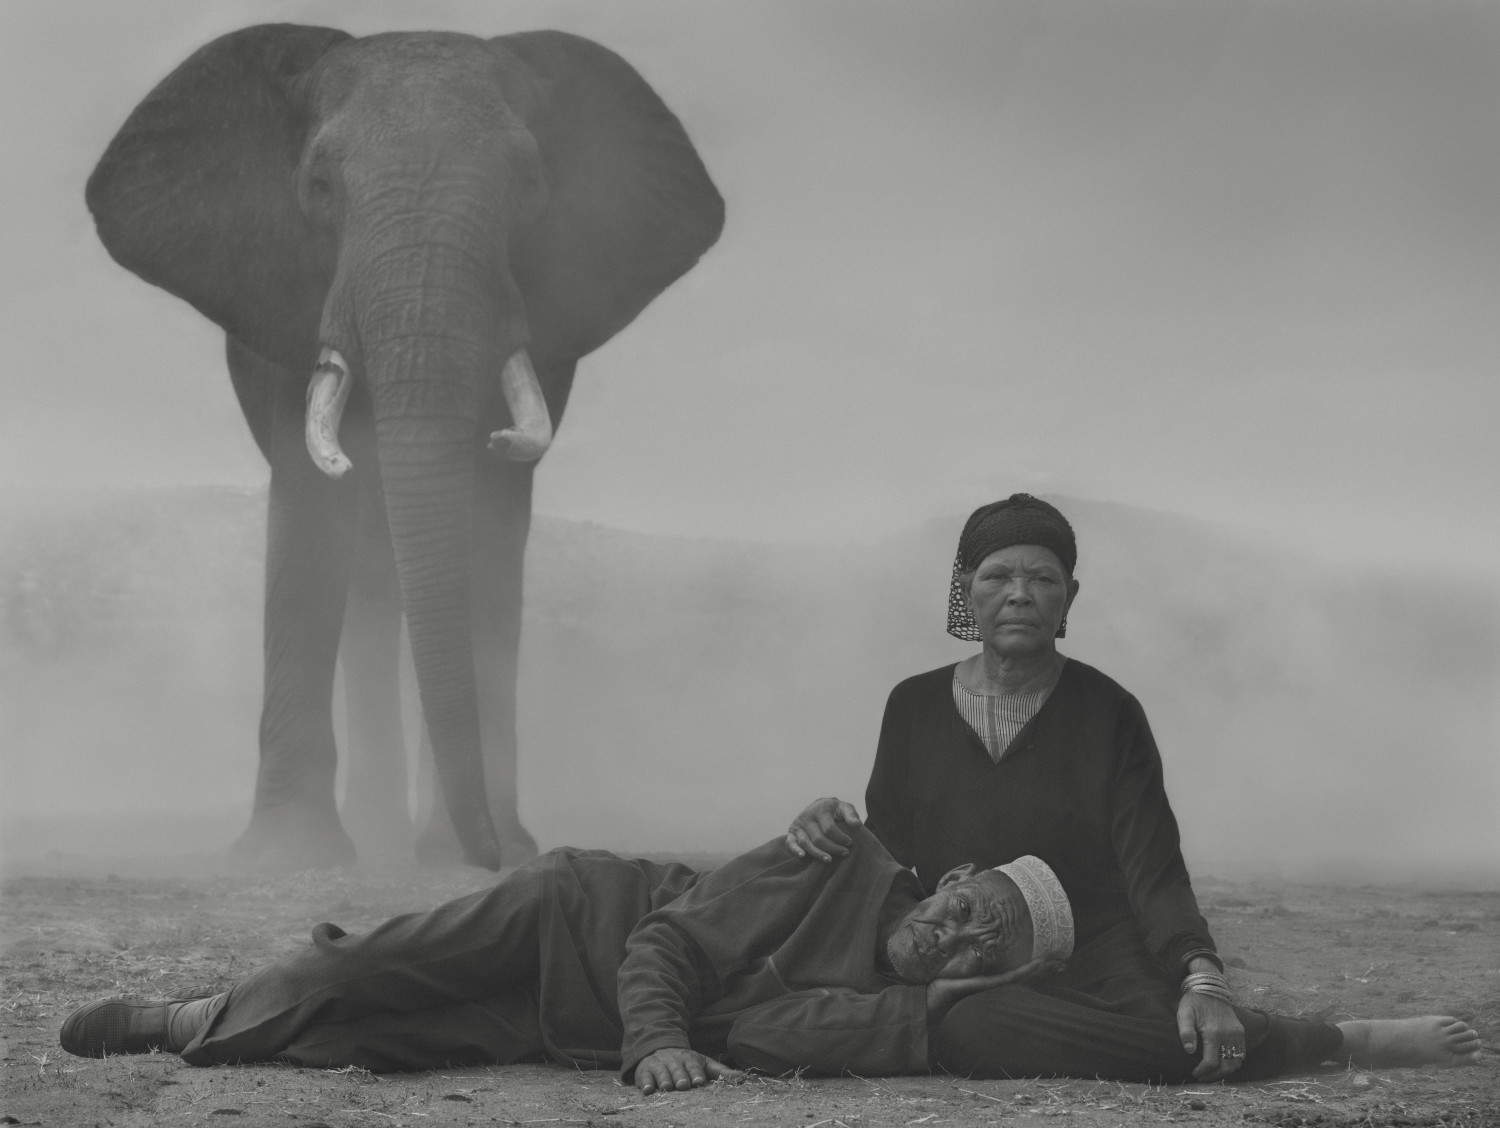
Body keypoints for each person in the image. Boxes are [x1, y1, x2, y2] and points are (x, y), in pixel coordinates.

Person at [786, 493, 1482, 1082]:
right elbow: (889, 851)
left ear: (1070, 598)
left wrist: (1202, 978)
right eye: (998, 576)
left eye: (1044, 579)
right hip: (975, 952)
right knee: (974, 1027)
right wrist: (830, 824)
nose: (1021, 594)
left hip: (1099, 947)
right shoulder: (913, 705)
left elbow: (1152, 867)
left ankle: (1338, 1042)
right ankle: (1307, 1043)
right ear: (966, 589)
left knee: (1184, 1029)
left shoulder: (1107, 710)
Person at [59, 825, 1075, 1093]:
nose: (958, 928)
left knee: (366, 1044)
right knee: (349, 976)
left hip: (573, 1029)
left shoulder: (890, 1019)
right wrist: (659, 1043)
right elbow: (669, 940)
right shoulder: (835, 857)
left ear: (989, 976)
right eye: (967, 903)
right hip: (574, 919)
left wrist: (651, 1041)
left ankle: (225, 1019)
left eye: (990, 941)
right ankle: (181, 1019)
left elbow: (762, 1033)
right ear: (956, 874)